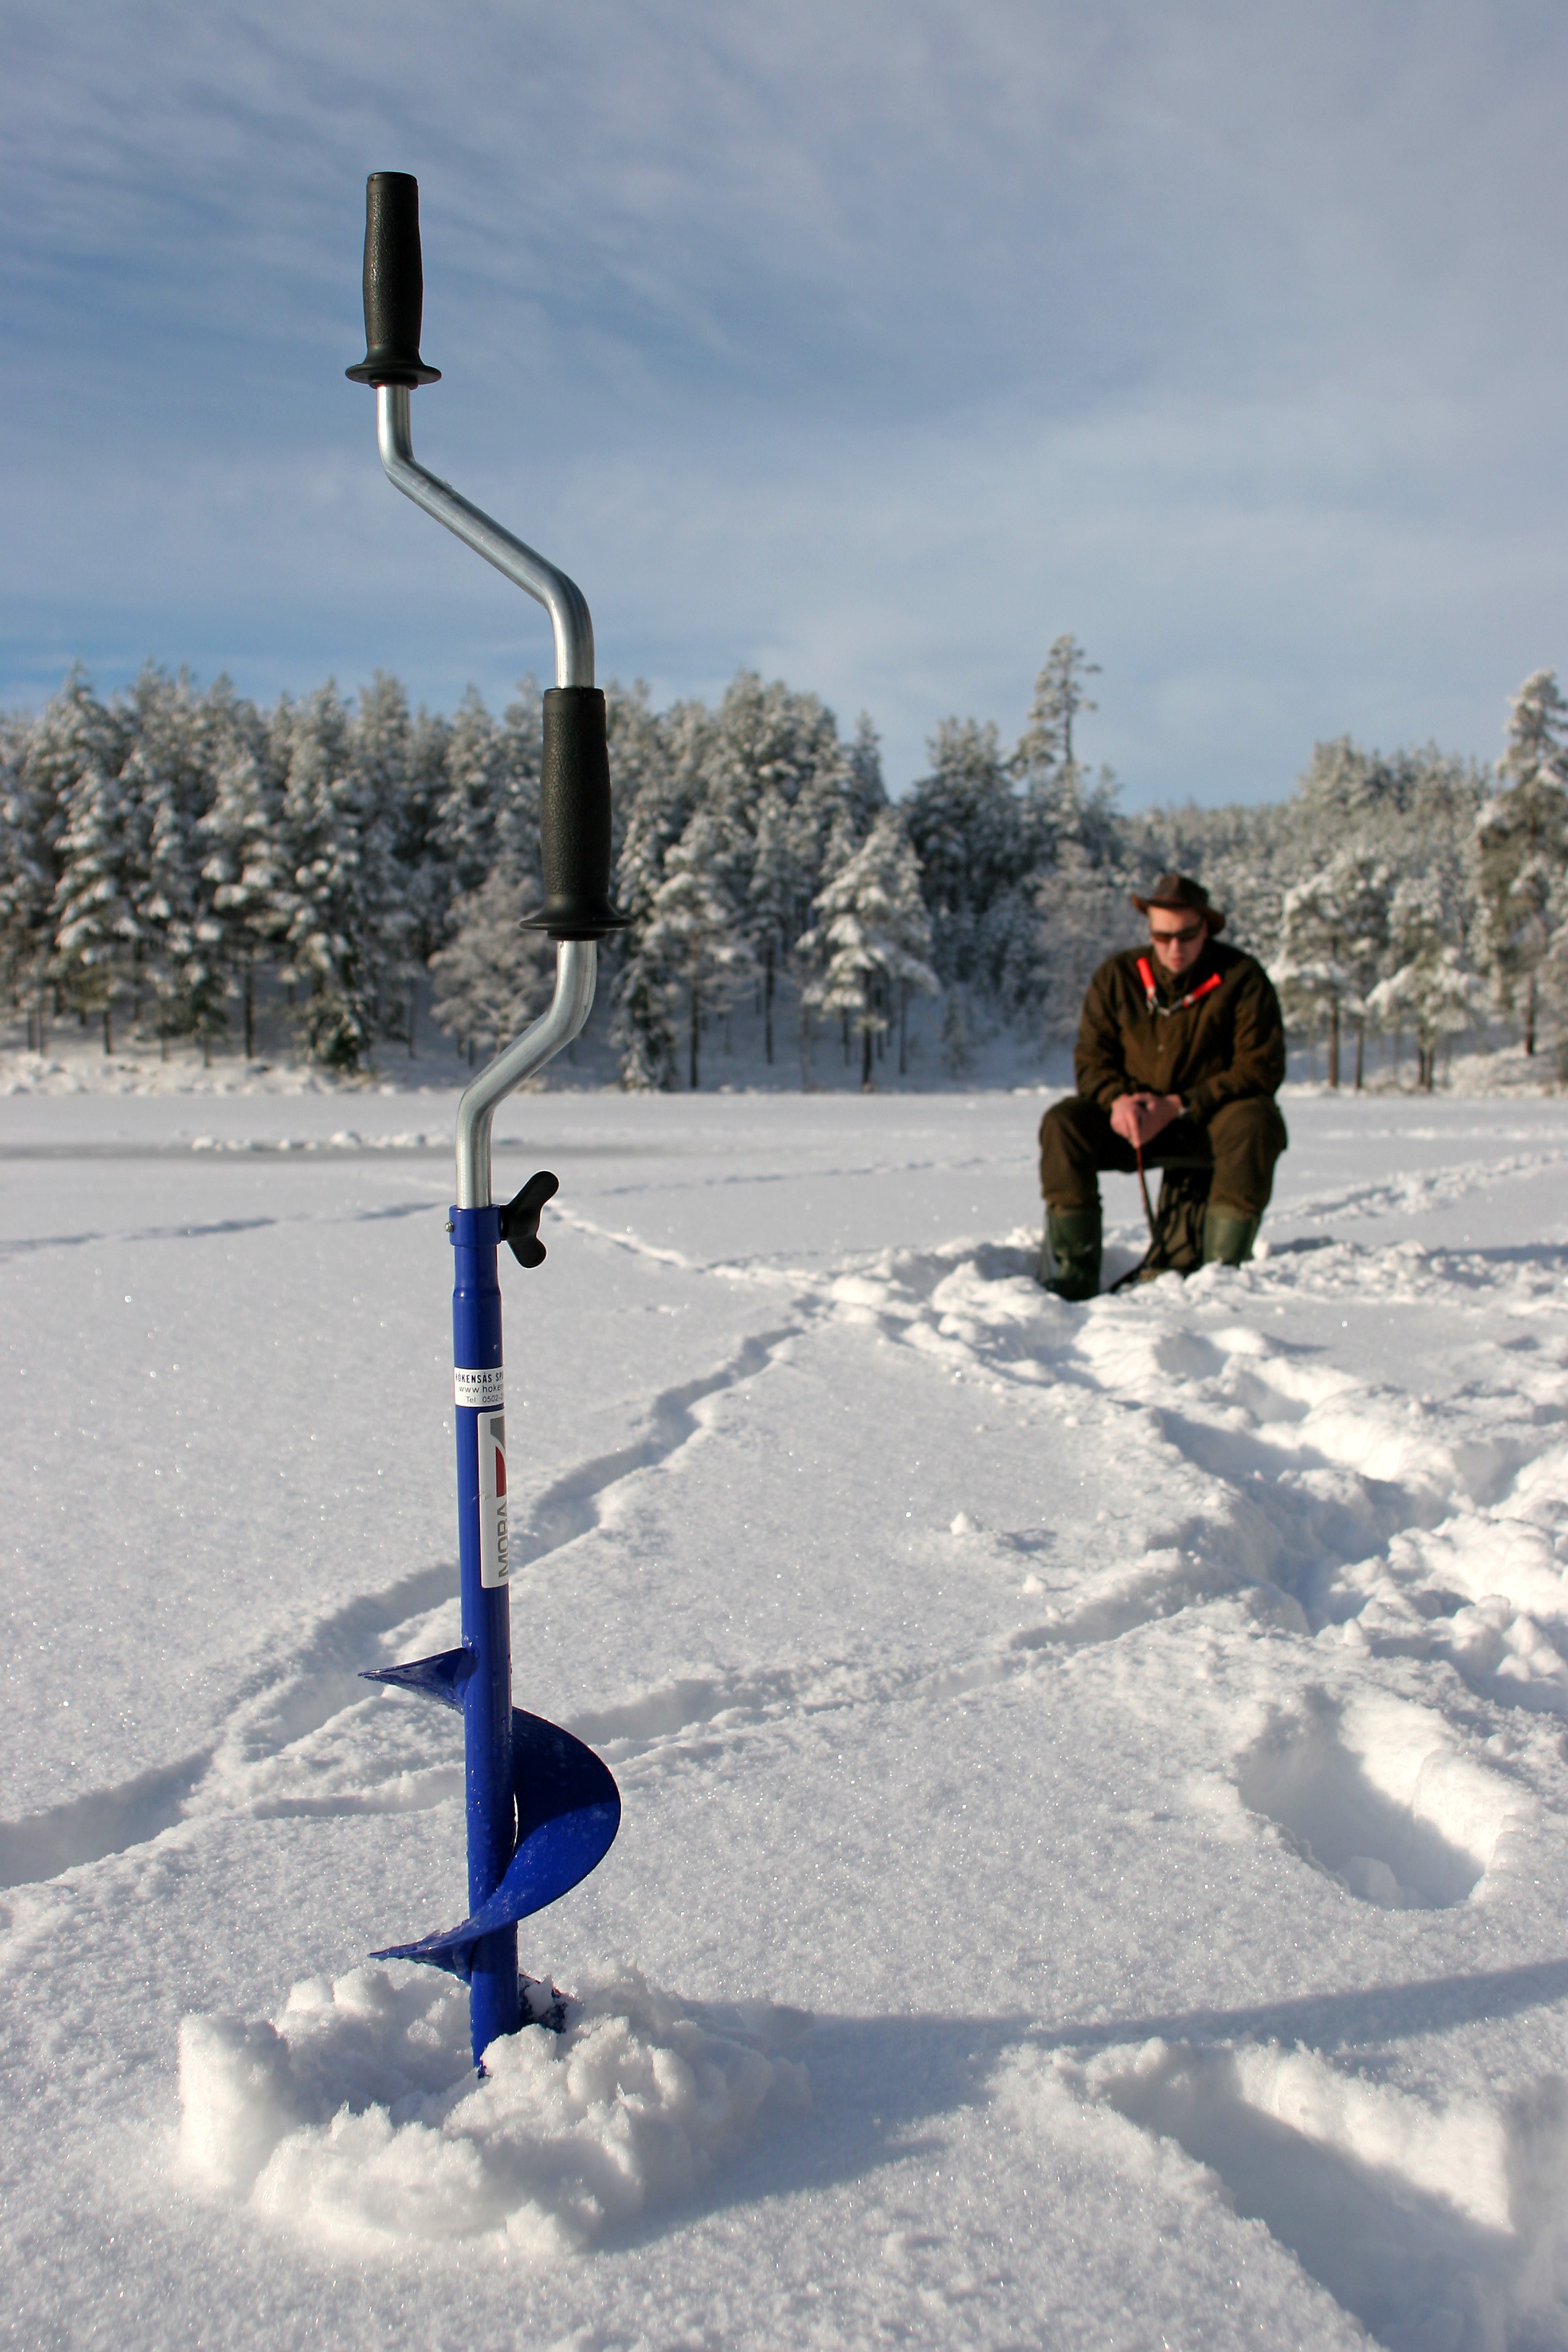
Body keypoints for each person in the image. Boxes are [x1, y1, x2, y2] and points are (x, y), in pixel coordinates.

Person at [1037, 873, 1287, 1299]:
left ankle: (1221, 1275)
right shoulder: (1116, 977)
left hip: (1209, 1123)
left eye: (1187, 935)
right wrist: (1116, 1100)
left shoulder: (1242, 978)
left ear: (1205, 926)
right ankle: (1074, 1275)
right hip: (1133, 1124)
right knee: (1064, 1123)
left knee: (1256, 1120)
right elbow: (1092, 1061)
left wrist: (1181, 1104)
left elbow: (1260, 1068)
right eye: (1163, 935)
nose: (1175, 947)